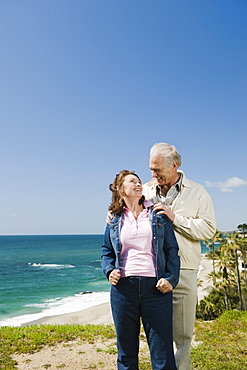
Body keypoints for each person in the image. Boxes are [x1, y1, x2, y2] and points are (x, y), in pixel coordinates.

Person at [142, 143, 216, 370]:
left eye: (157, 170)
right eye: (151, 170)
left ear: (174, 166)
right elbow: (124, 213)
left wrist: (176, 219)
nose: (153, 175)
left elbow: (208, 229)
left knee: (182, 336)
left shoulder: (198, 192)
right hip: (150, 272)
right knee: (156, 335)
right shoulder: (144, 190)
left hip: (184, 271)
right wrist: (111, 214)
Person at [101, 170, 180, 370]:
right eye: (132, 181)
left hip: (156, 288)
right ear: (120, 189)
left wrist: (171, 278)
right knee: (126, 352)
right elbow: (106, 251)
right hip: (123, 290)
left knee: (162, 352)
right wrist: (109, 270)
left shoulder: (157, 213)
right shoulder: (114, 219)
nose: (138, 184)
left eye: (139, 181)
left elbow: (171, 250)